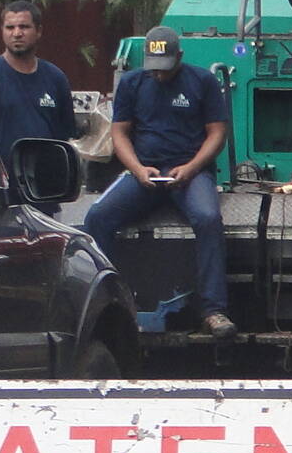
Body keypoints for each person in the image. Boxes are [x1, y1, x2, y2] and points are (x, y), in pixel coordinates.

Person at [82, 26, 236, 339]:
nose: (160, 76)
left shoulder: (202, 82)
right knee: (97, 217)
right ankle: (107, 302)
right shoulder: (132, 83)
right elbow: (120, 133)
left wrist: (192, 168)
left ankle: (213, 309)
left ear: (179, 57)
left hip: (191, 173)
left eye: (166, 68)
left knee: (208, 218)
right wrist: (138, 169)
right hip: (146, 172)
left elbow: (217, 133)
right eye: (154, 68)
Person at [0, 0, 77, 195]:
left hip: (42, 193)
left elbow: (63, 136)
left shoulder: (56, 78)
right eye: (10, 27)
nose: (16, 33)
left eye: (24, 26)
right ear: (2, 31)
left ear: (38, 31)